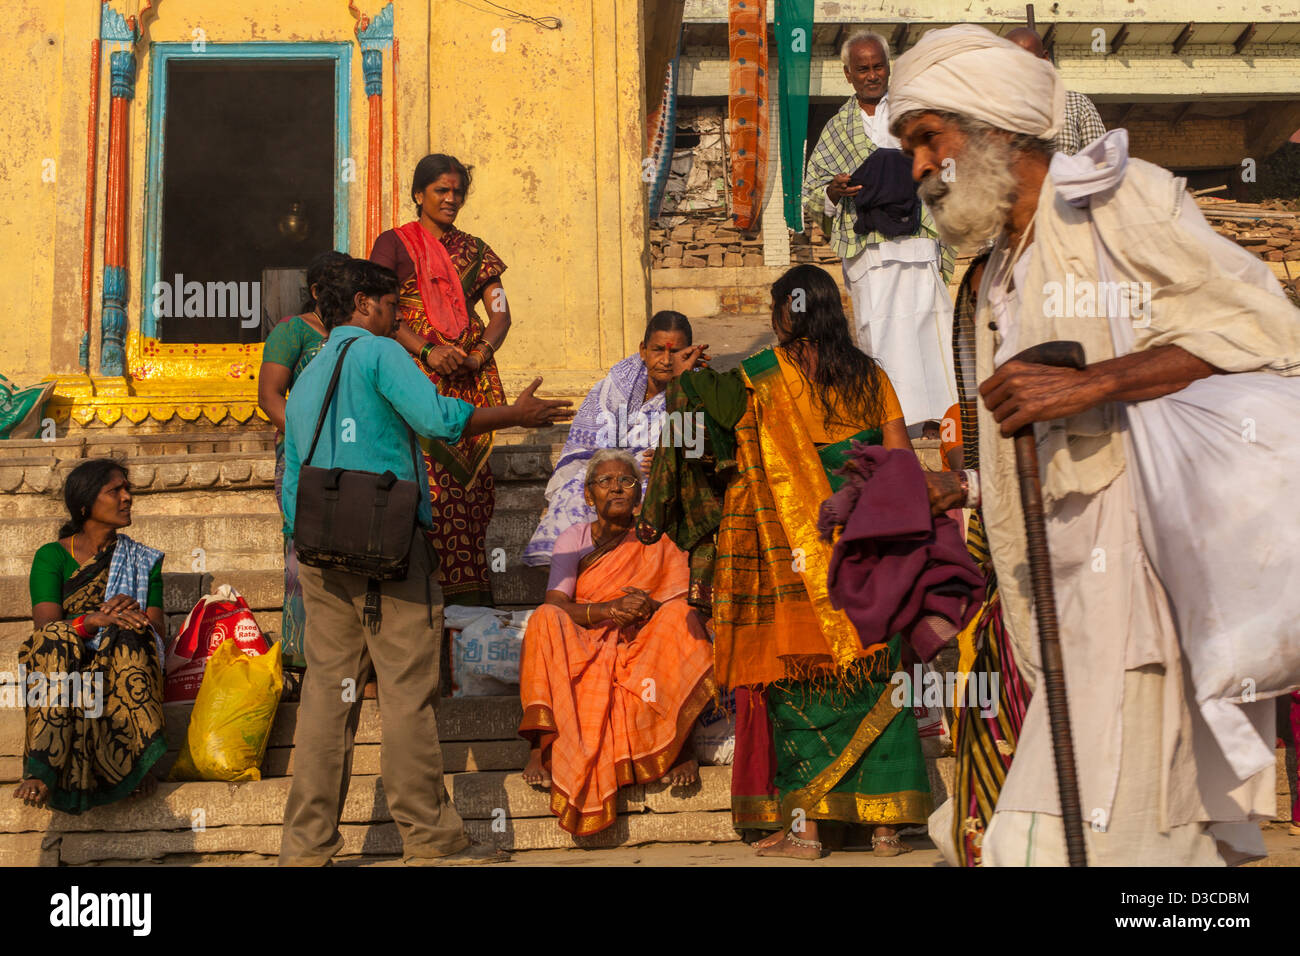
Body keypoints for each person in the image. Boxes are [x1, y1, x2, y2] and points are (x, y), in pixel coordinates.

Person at [891, 23, 1300, 865]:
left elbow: (1266, 331)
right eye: (910, 148)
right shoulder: (991, 270)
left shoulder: (1117, 200)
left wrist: (1093, 382)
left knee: (1043, 847)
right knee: (1157, 849)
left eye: (929, 138)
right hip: (1064, 588)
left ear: (995, 126)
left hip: (1143, 589)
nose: (920, 167)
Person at [277, 256, 573, 866]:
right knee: (408, 693)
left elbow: (292, 476)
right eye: (390, 306)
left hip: (320, 554)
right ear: (363, 304)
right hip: (386, 551)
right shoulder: (379, 353)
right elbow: (439, 420)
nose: (396, 317)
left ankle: (305, 849)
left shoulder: (309, 373)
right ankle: (432, 843)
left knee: (327, 701)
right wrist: (515, 415)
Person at [710, 264, 929, 860]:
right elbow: (901, 463)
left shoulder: (762, 378)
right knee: (879, 672)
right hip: (868, 538)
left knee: (800, 680)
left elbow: (732, 457)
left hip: (795, 546)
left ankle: (806, 830)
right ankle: (886, 827)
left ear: (788, 312)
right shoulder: (872, 376)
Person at [518, 449, 715, 835]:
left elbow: (679, 597)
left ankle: (680, 750)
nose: (616, 488)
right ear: (589, 496)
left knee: (682, 618)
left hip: (643, 638)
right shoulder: (573, 538)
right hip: (586, 640)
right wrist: (608, 610)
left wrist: (647, 605)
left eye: (626, 480)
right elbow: (557, 605)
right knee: (543, 619)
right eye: (605, 482)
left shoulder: (658, 537)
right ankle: (540, 750)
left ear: (639, 494)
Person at [370, 154, 511, 607]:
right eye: (441, 191)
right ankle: (421, 599)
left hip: (467, 381)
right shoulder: (392, 245)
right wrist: (428, 350)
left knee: (471, 494)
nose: (451, 199)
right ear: (418, 195)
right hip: (416, 381)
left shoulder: (477, 250)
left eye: (457, 192)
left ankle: (470, 602)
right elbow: (380, 314)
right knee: (427, 486)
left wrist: (479, 354)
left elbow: (501, 312)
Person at [803, 29, 957, 432]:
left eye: (878, 66)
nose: (872, 75)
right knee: (881, 331)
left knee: (930, 325)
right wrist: (833, 192)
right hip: (868, 249)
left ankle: (944, 421)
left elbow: (951, 161)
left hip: (918, 242)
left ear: (889, 68)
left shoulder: (914, 116)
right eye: (863, 69)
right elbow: (811, 192)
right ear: (848, 74)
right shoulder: (837, 129)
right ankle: (893, 423)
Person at [15, 459, 166, 813]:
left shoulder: (143, 560)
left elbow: (158, 631)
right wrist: (93, 621)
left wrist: (128, 615)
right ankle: (40, 769)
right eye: (116, 491)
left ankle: (135, 760)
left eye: (128, 489)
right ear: (85, 503)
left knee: (133, 635)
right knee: (55, 638)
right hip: (66, 658)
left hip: (120, 660)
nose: (127, 498)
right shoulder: (52, 556)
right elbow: (46, 627)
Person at [522, 311, 709, 566]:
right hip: (611, 467)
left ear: (689, 352)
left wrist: (668, 459)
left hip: (658, 480)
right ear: (643, 350)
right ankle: (560, 564)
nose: (666, 360)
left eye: (675, 352)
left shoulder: (696, 389)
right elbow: (593, 444)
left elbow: (694, 450)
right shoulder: (619, 383)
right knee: (581, 485)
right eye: (657, 350)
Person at [257, 249, 348, 680]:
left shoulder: (358, 335)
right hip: (303, 460)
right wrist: (306, 442)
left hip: (353, 459)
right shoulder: (293, 331)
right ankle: (300, 658)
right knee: (303, 553)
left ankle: (347, 658)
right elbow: (270, 396)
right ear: (316, 292)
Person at [1005, 27, 1105, 157]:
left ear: (1045, 58)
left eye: (1028, 59)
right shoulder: (997, 109)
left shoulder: (1077, 104)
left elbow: (1101, 158)